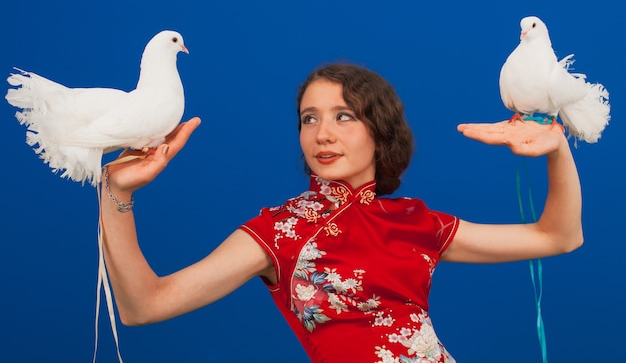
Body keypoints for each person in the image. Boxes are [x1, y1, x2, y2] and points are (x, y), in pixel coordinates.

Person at [100, 63, 582, 363]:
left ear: (380, 131)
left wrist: (558, 150)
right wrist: (116, 194)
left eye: (343, 116)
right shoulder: (279, 231)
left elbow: (558, 237)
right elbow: (146, 305)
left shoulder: (415, 221)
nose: (322, 134)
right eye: (310, 118)